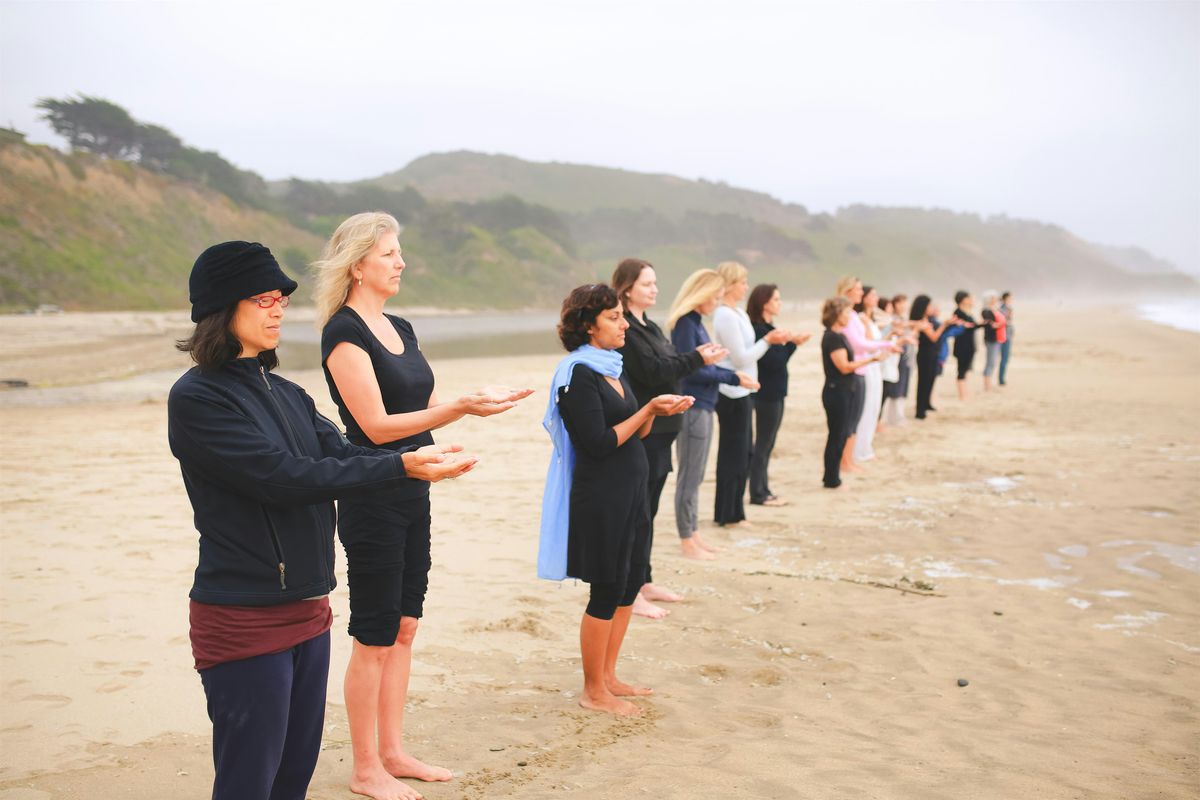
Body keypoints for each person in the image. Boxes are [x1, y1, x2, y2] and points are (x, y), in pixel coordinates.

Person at [168, 241, 475, 800]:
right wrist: (401, 467)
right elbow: (279, 477)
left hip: (309, 610)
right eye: (262, 299)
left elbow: (340, 452)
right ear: (221, 308)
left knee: (292, 779)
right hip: (243, 617)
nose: (278, 308)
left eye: (281, 297)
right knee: (248, 782)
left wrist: (413, 463)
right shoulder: (198, 398)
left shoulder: (284, 391)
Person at [314, 212, 532, 800]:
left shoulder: (402, 328)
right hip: (371, 494)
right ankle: (365, 771)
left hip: (414, 490)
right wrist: (459, 409)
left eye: (399, 252)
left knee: (406, 627)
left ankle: (392, 751)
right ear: (358, 265)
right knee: (375, 633)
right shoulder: (343, 334)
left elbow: (423, 403)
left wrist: (460, 424)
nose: (400, 262)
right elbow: (378, 427)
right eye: (389, 253)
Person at [538, 284, 693, 716]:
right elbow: (598, 443)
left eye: (623, 316)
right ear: (588, 326)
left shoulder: (612, 366)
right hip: (600, 495)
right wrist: (645, 412)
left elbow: (634, 429)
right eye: (614, 317)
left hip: (631, 489)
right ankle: (592, 690)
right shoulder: (578, 375)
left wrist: (656, 412)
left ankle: (609, 677)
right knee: (605, 588)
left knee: (627, 585)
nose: (625, 324)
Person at [611, 258, 727, 618]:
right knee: (636, 514)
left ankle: (643, 580)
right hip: (644, 432)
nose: (655, 289)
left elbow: (671, 363)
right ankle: (627, 592)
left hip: (664, 433)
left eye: (655, 283)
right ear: (627, 288)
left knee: (649, 512)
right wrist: (696, 359)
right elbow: (654, 371)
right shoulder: (625, 328)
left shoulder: (651, 326)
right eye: (647, 284)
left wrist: (692, 361)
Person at [667, 269, 758, 560]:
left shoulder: (696, 323)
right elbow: (692, 368)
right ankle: (686, 539)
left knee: (698, 475)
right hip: (693, 406)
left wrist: (727, 372)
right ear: (701, 294)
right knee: (689, 476)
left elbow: (703, 363)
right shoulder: (685, 324)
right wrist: (732, 377)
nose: (718, 302)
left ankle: (693, 533)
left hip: (705, 404)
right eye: (715, 297)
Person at [711, 262, 791, 526]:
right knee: (732, 454)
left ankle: (736, 512)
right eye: (742, 282)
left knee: (744, 452)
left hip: (744, 390)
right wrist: (768, 341)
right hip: (730, 392)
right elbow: (741, 357)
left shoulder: (739, 315)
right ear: (730, 285)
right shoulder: (724, 315)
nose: (746, 286)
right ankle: (726, 513)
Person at [747, 283, 811, 506]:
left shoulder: (768, 327)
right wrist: (791, 344)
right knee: (763, 444)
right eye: (776, 299)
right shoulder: (759, 330)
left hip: (775, 393)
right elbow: (774, 362)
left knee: (768, 443)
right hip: (766, 394)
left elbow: (778, 357)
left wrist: (791, 343)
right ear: (764, 303)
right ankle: (758, 493)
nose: (779, 303)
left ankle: (763, 488)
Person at [819, 296, 890, 489]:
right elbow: (844, 367)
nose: (849, 317)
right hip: (836, 391)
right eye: (845, 313)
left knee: (842, 432)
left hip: (844, 389)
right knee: (837, 434)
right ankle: (831, 478)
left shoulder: (840, 335)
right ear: (836, 314)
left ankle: (833, 476)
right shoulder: (832, 337)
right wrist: (871, 360)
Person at [834, 276, 899, 472]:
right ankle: (849, 459)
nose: (861, 293)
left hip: (864, 368)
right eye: (859, 290)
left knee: (861, 415)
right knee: (853, 418)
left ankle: (854, 456)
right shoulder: (850, 317)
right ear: (847, 292)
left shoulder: (854, 316)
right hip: (858, 370)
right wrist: (887, 344)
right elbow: (859, 344)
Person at [852, 286, 887, 462]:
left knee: (874, 406)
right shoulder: (861, 318)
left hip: (875, 367)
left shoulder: (870, 317)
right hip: (867, 367)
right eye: (872, 295)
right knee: (866, 407)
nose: (876, 297)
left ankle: (867, 446)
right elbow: (867, 343)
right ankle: (860, 449)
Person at [910, 295, 956, 420]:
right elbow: (934, 337)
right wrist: (944, 325)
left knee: (930, 379)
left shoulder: (928, 319)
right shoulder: (920, 320)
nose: (931, 308)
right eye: (929, 305)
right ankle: (920, 410)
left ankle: (926, 404)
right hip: (925, 353)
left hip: (933, 352)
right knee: (923, 381)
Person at [881, 294, 913, 426]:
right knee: (895, 387)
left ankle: (898, 416)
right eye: (900, 303)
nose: (903, 305)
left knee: (903, 387)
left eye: (905, 302)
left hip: (904, 356)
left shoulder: (902, 318)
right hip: (895, 356)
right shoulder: (892, 320)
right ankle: (893, 417)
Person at [951, 290, 979, 401]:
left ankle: (965, 393)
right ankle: (962, 395)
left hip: (970, 345)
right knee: (961, 370)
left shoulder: (967, 312)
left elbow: (973, 326)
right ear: (962, 300)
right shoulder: (958, 312)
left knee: (966, 370)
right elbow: (967, 326)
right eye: (968, 298)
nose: (970, 301)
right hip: (962, 346)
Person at [980, 289, 1008, 392]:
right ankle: (987, 385)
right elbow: (990, 325)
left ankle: (989, 383)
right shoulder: (986, 311)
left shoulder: (995, 309)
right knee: (990, 362)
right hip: (991, 339)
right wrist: (1000, 324)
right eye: (993, 298)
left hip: (998, 338)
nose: (995, 299)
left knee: (993, 362)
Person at [998, 291, 1014, 386]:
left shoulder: (1007, 308)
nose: (1011, 300)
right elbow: (1003, 322)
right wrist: (1008, 316)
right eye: (1010, 298)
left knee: (1005, 358)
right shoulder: (1002, 309)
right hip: (1004, 336)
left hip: (1007, 335)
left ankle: (1001, 378)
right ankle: (1001, 379)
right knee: (1004, 358)